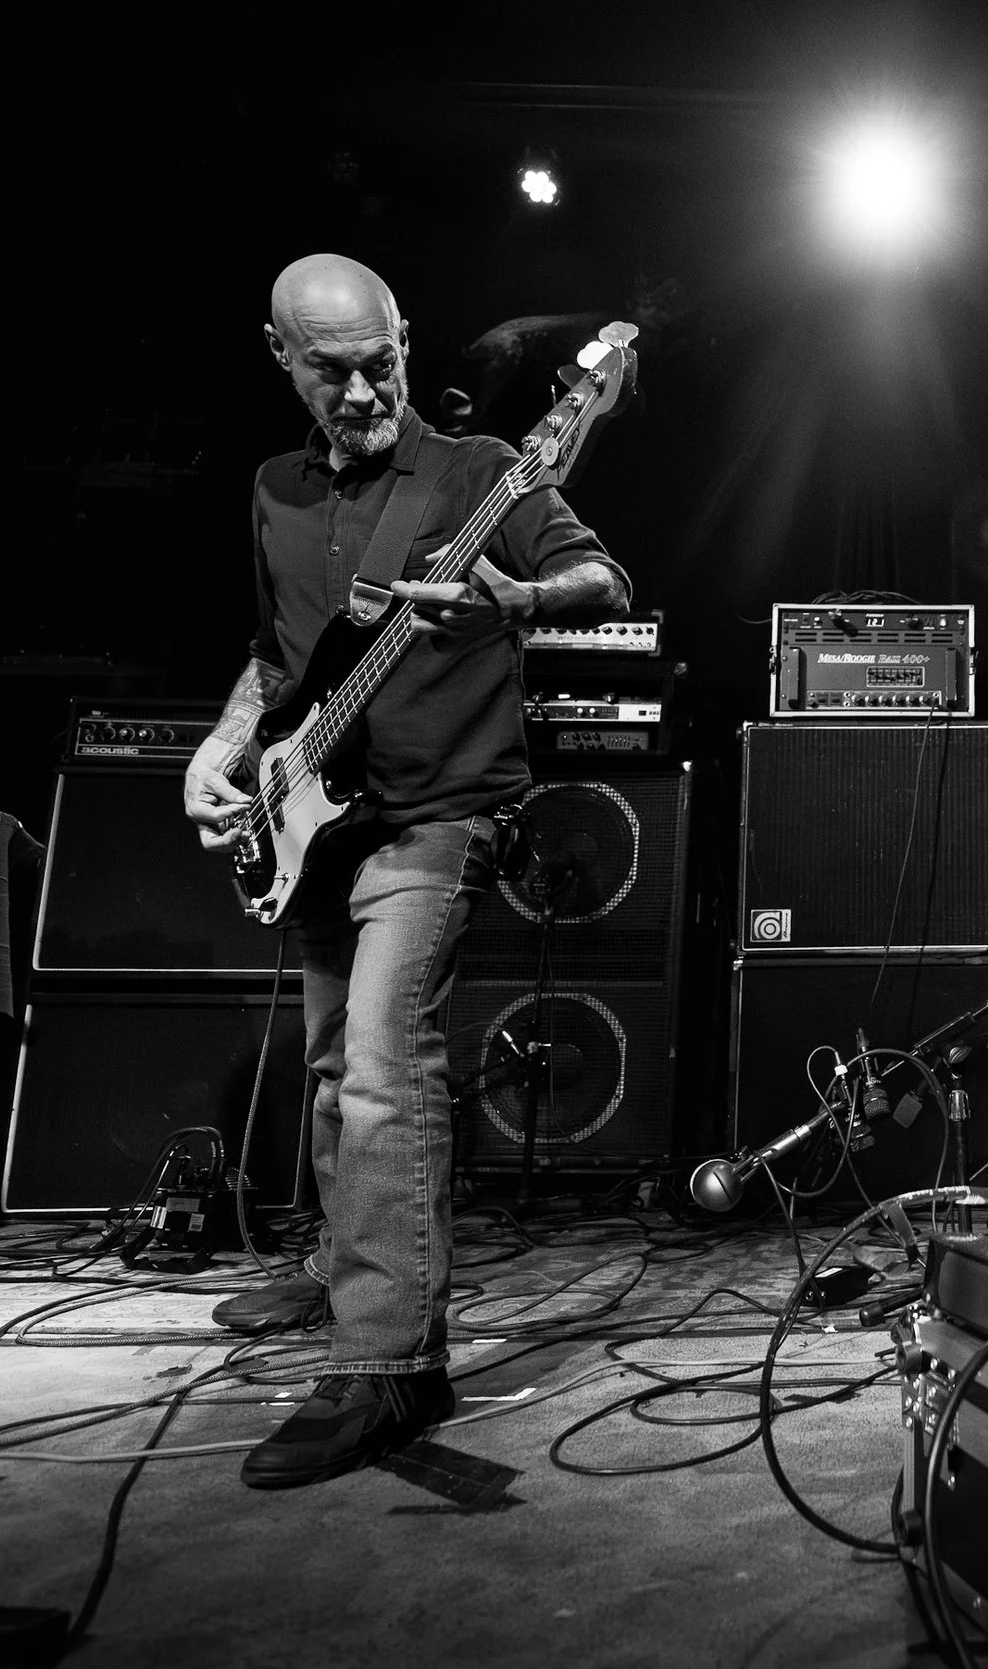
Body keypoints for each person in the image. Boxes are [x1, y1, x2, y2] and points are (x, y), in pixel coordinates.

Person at [184, 254, 632, 1486]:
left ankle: (389, 1363)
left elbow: (604, 577)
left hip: (444, 814)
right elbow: (282, 662)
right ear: (282, 360)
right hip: (319, 815)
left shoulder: (482, 473)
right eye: (331, 370)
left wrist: (515, 601)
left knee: (385, 1061)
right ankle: (341, 1267)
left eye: (379, 360)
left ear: (404, 338)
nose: (365, 387)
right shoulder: (275, 491)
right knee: (333, 1071)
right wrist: (227, 753)